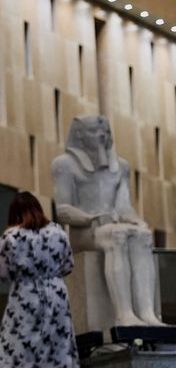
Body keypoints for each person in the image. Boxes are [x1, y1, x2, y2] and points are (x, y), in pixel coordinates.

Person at [52, 114, 165, 327]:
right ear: (79, 135)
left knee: (143, 236)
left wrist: (137, 221)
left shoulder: (121, 166)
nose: (101, 135)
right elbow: (63, 210)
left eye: (104, 131)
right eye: (94, 131)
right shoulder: (64, 164)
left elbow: (123, 207)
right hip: (84, 231)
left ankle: (148, 313)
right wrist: (90, 218)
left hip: (110, 225)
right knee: (117, 235)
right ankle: (124, 314)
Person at [0, 191, 82, 368]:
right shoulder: (58, 232)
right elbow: (68, 264)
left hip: (26, 295)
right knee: (61, 348)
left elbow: (1, 271)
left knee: (26, 348)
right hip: (56, 293)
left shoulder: (11, 237)